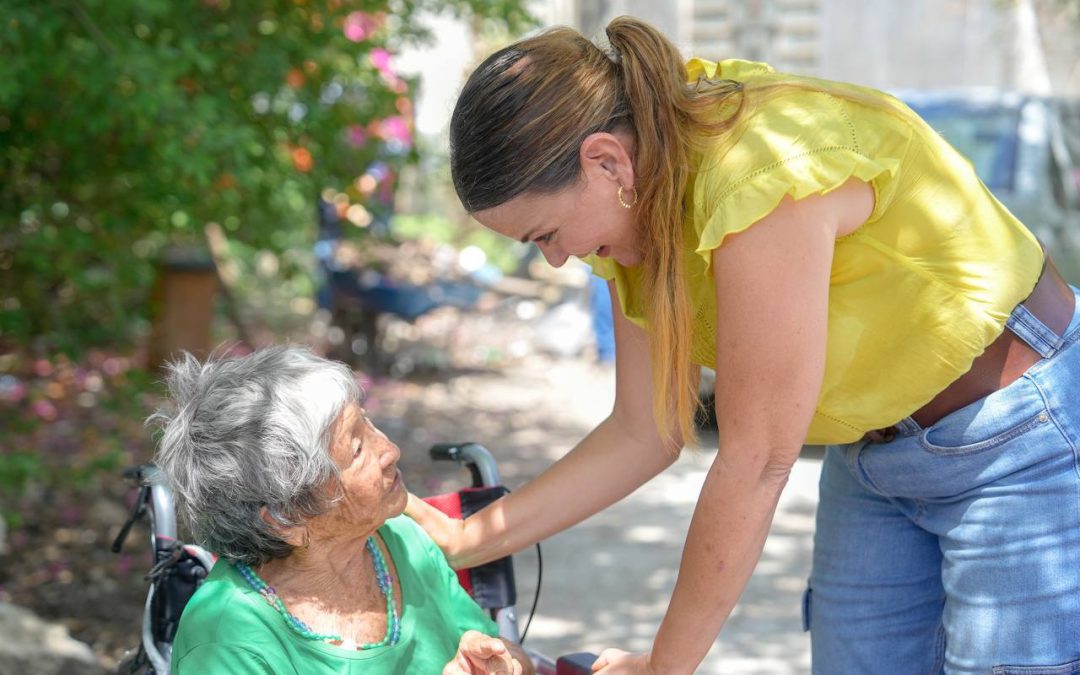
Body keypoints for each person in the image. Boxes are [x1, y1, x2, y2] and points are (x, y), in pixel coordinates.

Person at [405, 15, 1080, 675]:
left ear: (605, 160)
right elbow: (647, 429)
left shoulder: (757, 173)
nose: (556, 260)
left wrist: (665, 664)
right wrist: (468, 538)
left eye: (545, 234)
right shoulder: (633, 202)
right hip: (877, 452)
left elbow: (757, 459)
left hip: (1018, 436)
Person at [151, 346, 532, 675]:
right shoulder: (228, 639)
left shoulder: (401, 538)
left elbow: (506, 653)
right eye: (357, 449)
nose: (391, 450)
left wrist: (504, 663)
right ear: (287, 518)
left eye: (367, 422)